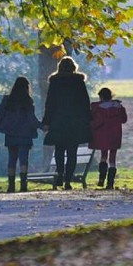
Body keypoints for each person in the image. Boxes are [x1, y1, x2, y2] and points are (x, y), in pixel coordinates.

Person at [41, 56, 92, 190]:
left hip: (58, 120)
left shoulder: (55, 82)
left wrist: (46, 121)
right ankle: (68, 179)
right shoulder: (78, 82)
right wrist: (88, 120)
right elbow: (85, 103)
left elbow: (49, 104)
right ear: (73, 67)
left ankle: (59, 173)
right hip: (75, 122)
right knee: (72, 151)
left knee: (59, 149)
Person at [0, 76, 42, 193]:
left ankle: (11, 186)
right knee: (23, 160)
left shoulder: (8, 100)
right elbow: (32, 119)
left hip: (11, 134)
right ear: (27, 87)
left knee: (11, 160)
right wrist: (42, 126)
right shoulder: (28, 101)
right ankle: (23, 185)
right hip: (25, 135)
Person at [89, 87, 127, 189]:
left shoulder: (96, 108)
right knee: (113, 159)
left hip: (102, 135)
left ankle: (101, 178)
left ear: (101, 96)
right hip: (115, 135)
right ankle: (110, 183)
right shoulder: (118, 107)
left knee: (103, 155)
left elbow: (92, 119)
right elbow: (124, 120)